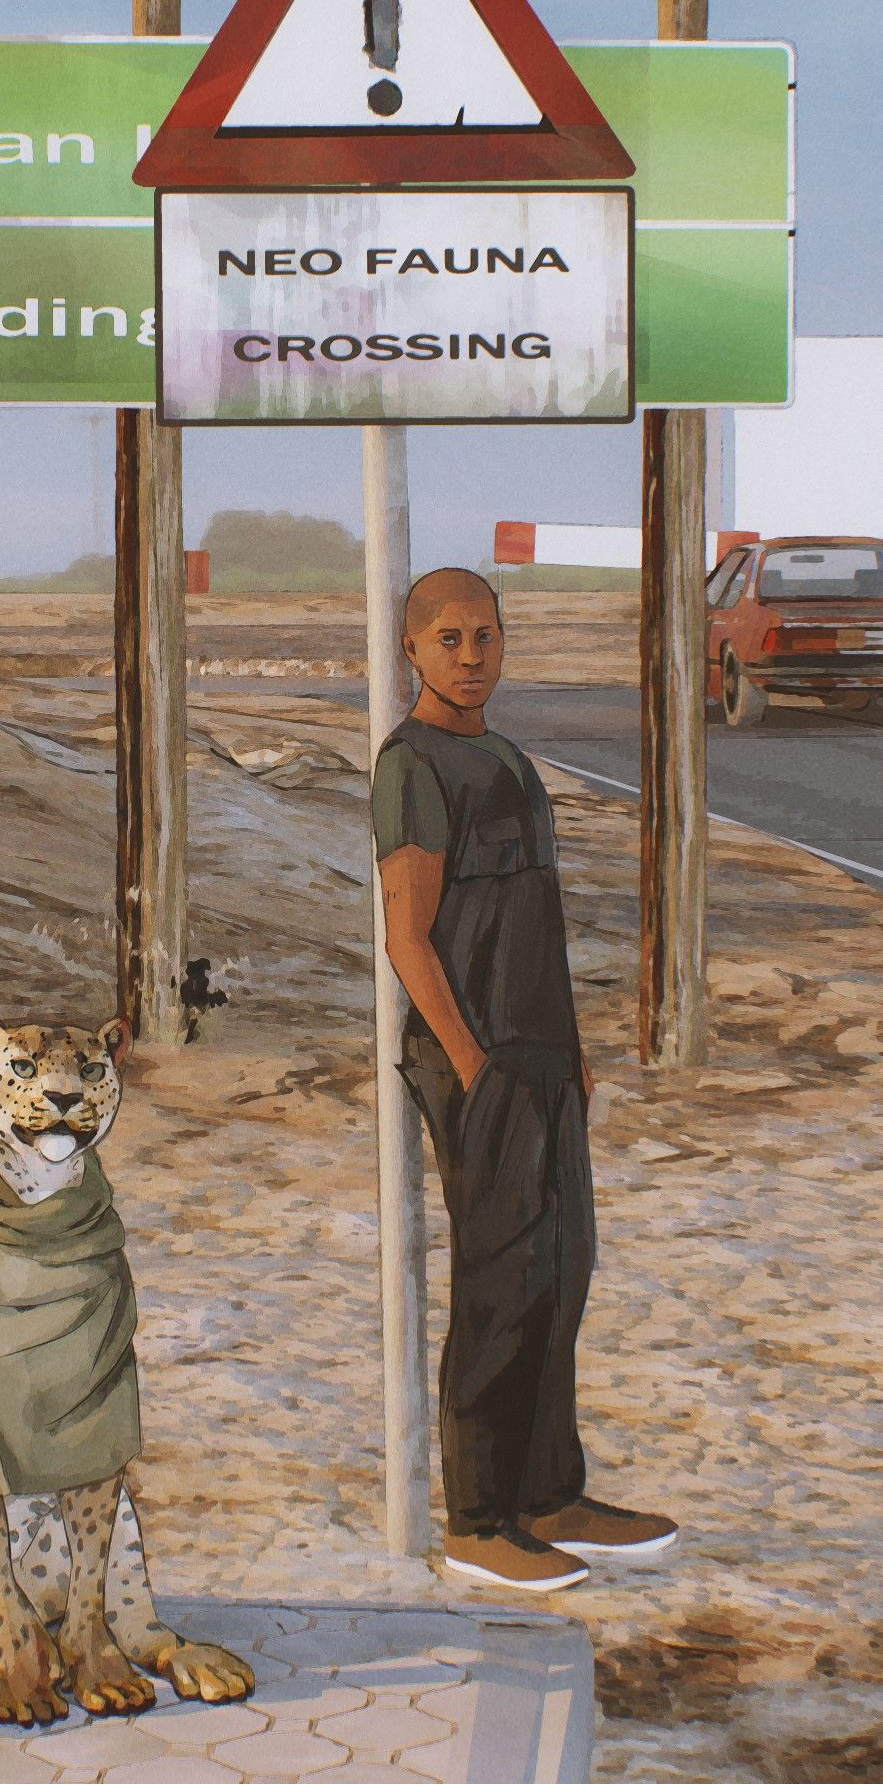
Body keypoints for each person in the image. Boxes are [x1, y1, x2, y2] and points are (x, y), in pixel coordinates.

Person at [371, 567, 678, 1592]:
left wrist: (568, 1048)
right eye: (450, 637)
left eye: (486, 634)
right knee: (501, 1284)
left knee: (564, 1271)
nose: (471, 653)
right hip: (483, 1062)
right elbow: (408, 937)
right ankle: (479, 1518)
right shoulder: (412, 765)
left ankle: (552, 1493)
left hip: (545, 1058)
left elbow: (531, 927)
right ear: (412, 648)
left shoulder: (507, 758)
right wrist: (472, 1061)